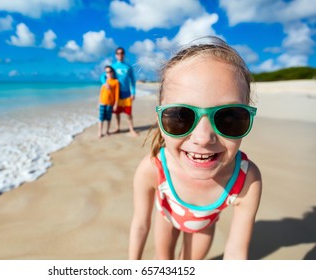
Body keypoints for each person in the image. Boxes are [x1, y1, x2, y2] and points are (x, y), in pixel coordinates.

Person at [129, 36, 262, 260]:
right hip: (167, 218)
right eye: (181, 116)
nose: (203, 137)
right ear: (161, 121)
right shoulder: (153, 169)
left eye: (228, 117)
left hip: (203, 227)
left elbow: (236, 252)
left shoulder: (246, 179)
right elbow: (140, 225)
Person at [101, 47, 138, 136]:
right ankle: (118, 128)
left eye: (121, 53)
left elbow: (132, 79)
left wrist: (133, 92)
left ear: (124, 54)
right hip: (116, 94)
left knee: (128, 113)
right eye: (118, 53)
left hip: (127, 93)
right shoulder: (113, 66)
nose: (120, 55)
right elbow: (102, 76)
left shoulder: (128, 67)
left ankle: (131, 129)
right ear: (115, 55)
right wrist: (105, 83)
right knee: (117, 113)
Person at [98, 65, 119, 138]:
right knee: (101, 118)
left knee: (108, 118)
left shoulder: (116, 82)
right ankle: (100, 132)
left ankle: (107, 131)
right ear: (105, 73)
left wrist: (116, 104)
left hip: (110, 104)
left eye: (110, 71)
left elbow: (117, 94)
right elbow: (101, 92)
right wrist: (99, 102)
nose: (109, 73)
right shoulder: (104, 82)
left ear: (112, 72)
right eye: (107, 72)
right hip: (102, 103)